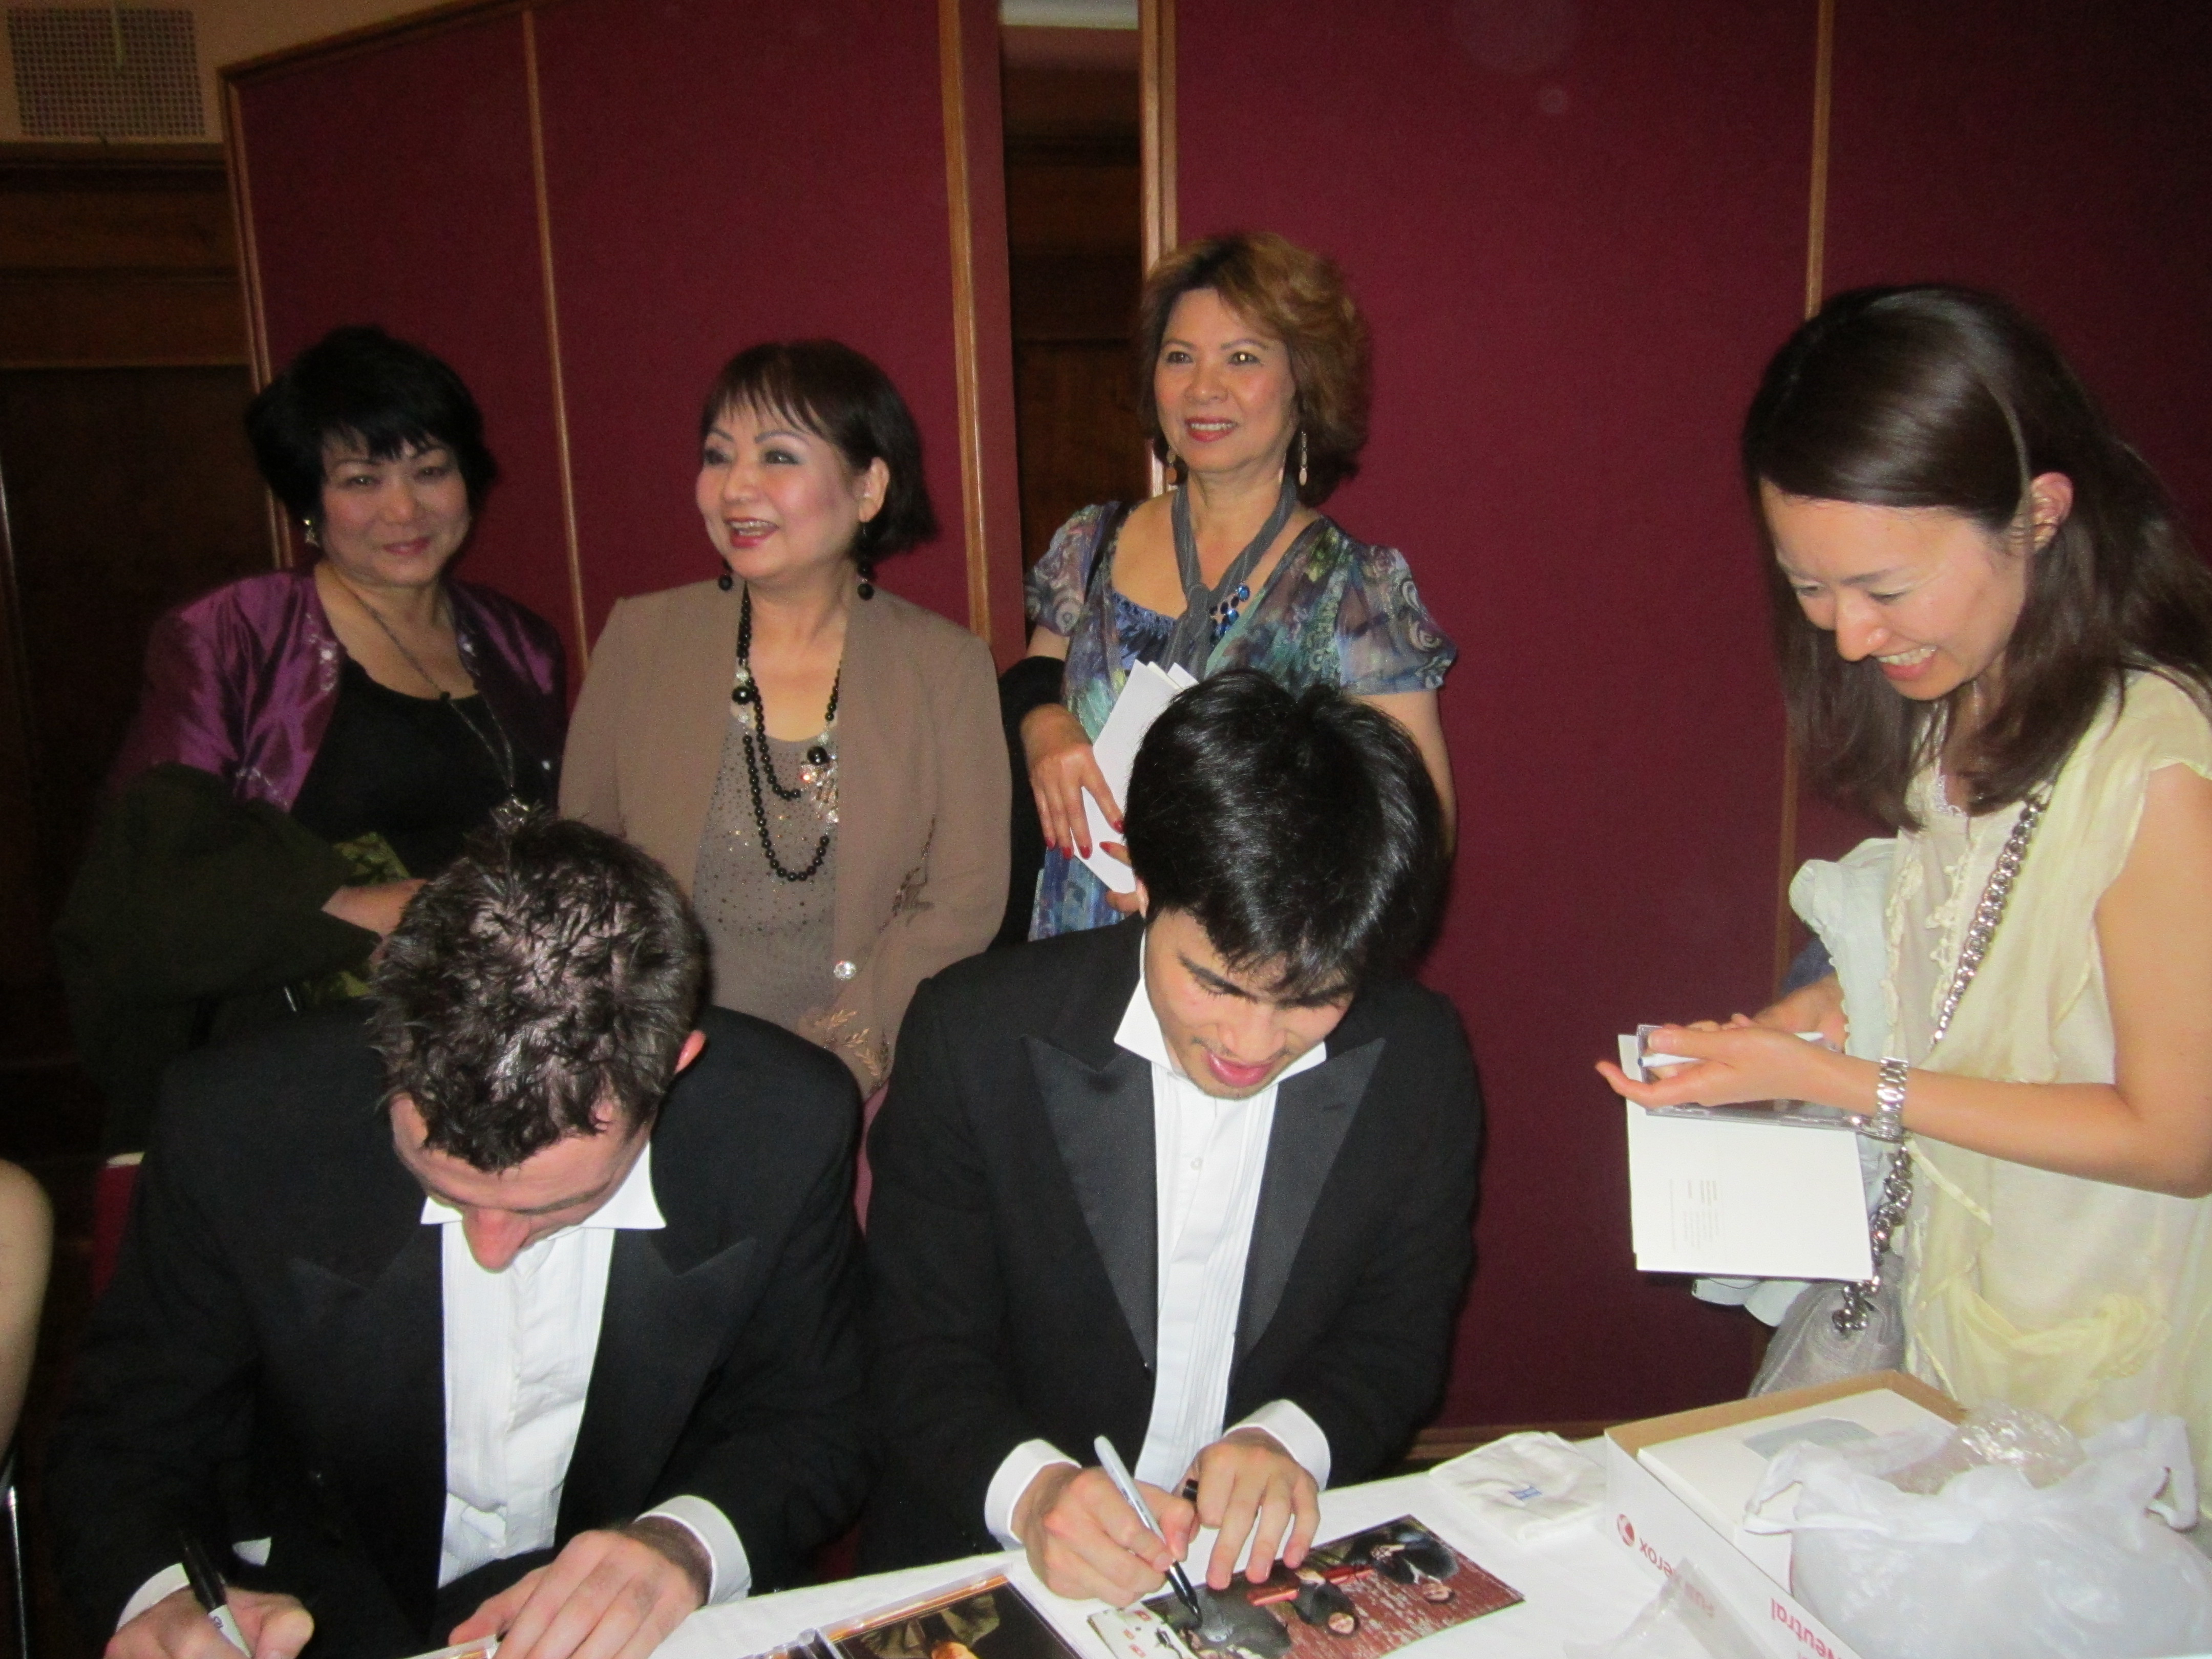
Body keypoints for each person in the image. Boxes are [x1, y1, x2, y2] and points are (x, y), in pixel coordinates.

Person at [1599, 286, 2212, 1507]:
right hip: (1973, 1292)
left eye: (1884, 588)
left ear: (2040, 515)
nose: (1848, 636)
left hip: (2107, 1333)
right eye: (1810, 588)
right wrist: (1822, 1008)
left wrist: (1840, 1083)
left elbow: (2176, 1137)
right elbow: (1972, 935)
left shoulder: (2155, 771)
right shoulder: (1968, 698)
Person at [50, 817, 868, 1659]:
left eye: (555, 1205)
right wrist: (162, 1600)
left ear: (671, 1067)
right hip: (326, 1611)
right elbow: (125, 1442)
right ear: (389, 1044)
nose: (491, 1247)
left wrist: (684, 1545)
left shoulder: (783, 1122)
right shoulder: (239, 1120)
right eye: (445, 1189)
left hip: (653, 1622)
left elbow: (817, 1419)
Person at [863, 671, 1481, 1603]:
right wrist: (1034, 1493)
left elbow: (1399, 1330)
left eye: (1314, 997)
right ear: (1143, 884)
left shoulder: (1417, 1061)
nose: (1252, 1044)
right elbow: (913, 1346)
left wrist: (1290, 1437)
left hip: (1255, 1565)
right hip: (997, 1557)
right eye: (1217, 983)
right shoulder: (974, 1036)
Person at [59, 324, 566, 1161]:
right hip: (305, 1055)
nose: (404, 510)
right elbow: (149, 868)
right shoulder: (233, 635)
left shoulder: (520, 642)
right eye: (361, 480)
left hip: (488, 1040)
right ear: (308, 500)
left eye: (430, 470)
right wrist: (354, 905)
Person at [563, 340, 1007, 1095]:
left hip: (858, 1070)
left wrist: (837, 1061)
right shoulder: (643, 638)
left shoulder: (945, 666)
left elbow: (965, 900)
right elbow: (583, 860)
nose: (736, 488)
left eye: (777, 456)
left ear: (867, 488)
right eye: (718, 455)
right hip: (655, 1067)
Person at [1009, 231, 1457, 940]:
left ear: (1304, 381)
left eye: (1242, 358)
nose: (1202, 388)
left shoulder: (1356, 592)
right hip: (1071, 950)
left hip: (1243, 959)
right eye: (1179, 357)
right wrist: (1043, 724)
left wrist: (1232, 889)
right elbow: (1035, 680)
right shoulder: (1090, 543)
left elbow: (1414, 834)